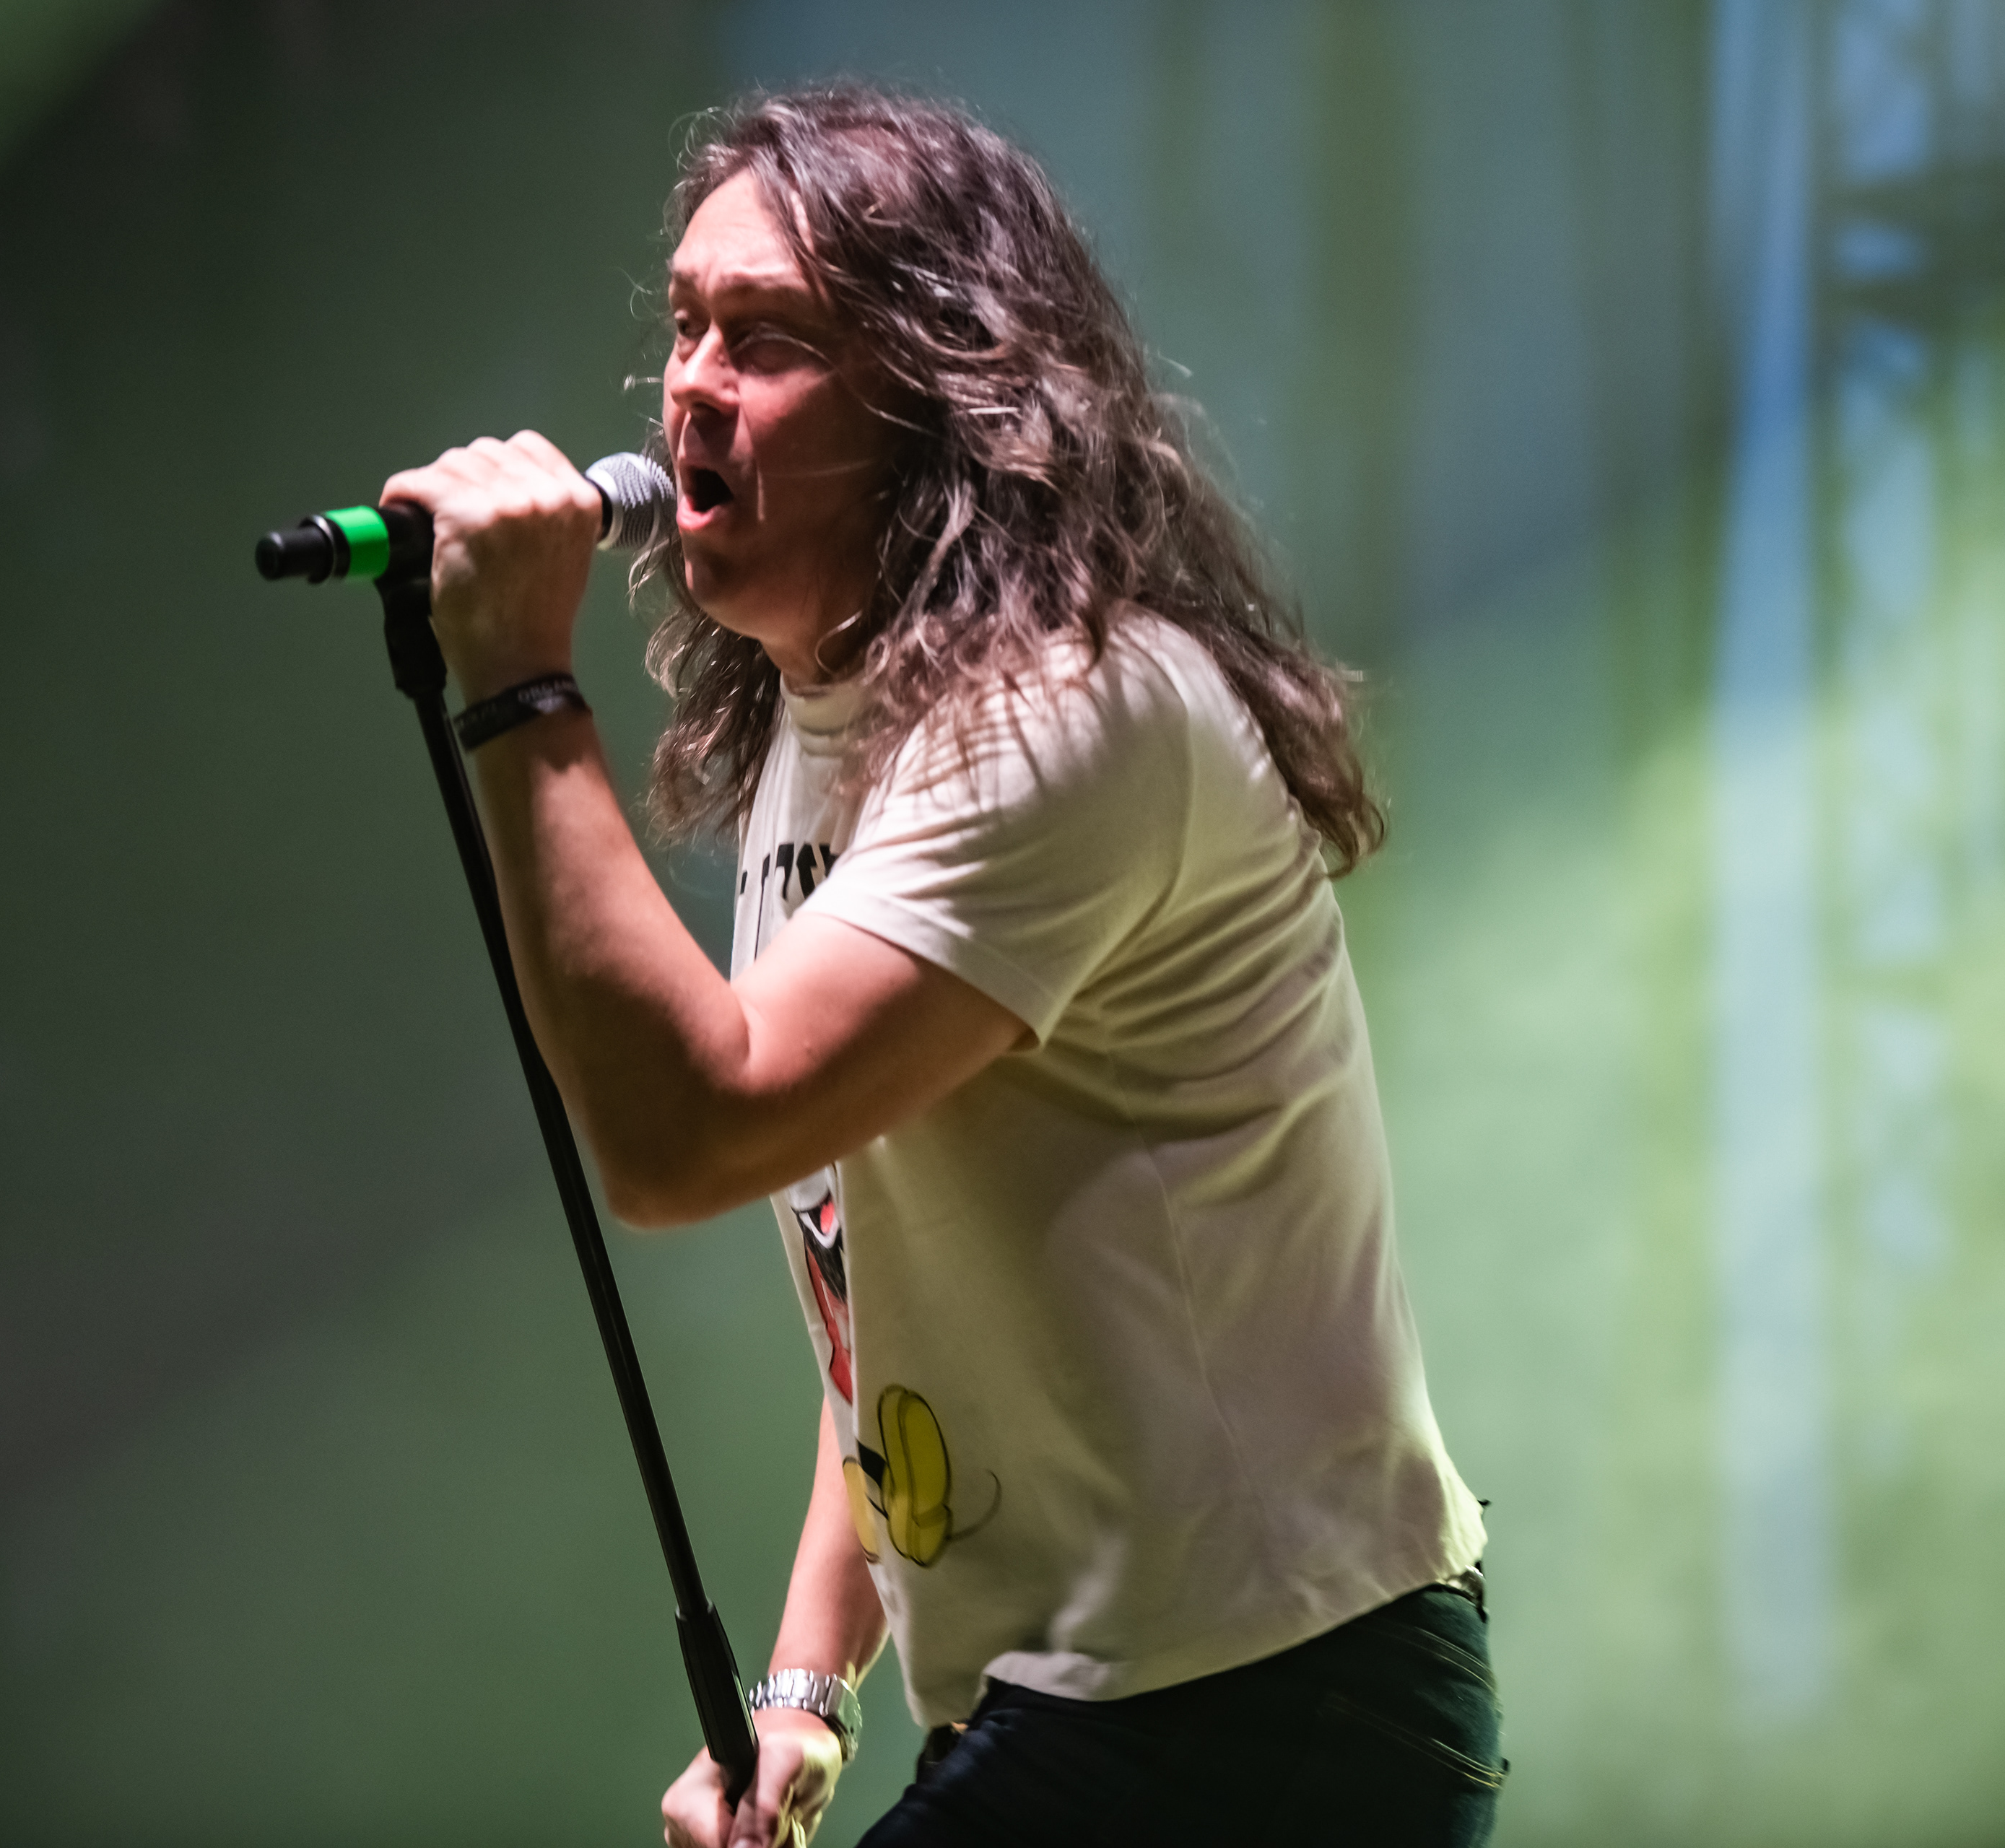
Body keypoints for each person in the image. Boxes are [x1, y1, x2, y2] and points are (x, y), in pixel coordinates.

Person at [382, 86, 1498, 1848]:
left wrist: (524, 686)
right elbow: (889, 1311)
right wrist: (800, 1692)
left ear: (937, 393)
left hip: (1262, 1694)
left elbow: (688, 1133)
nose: (691, 385)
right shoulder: (820, 735)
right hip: (1115, 1701)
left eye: (766, 338)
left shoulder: (1069, 712)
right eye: (684, 325)